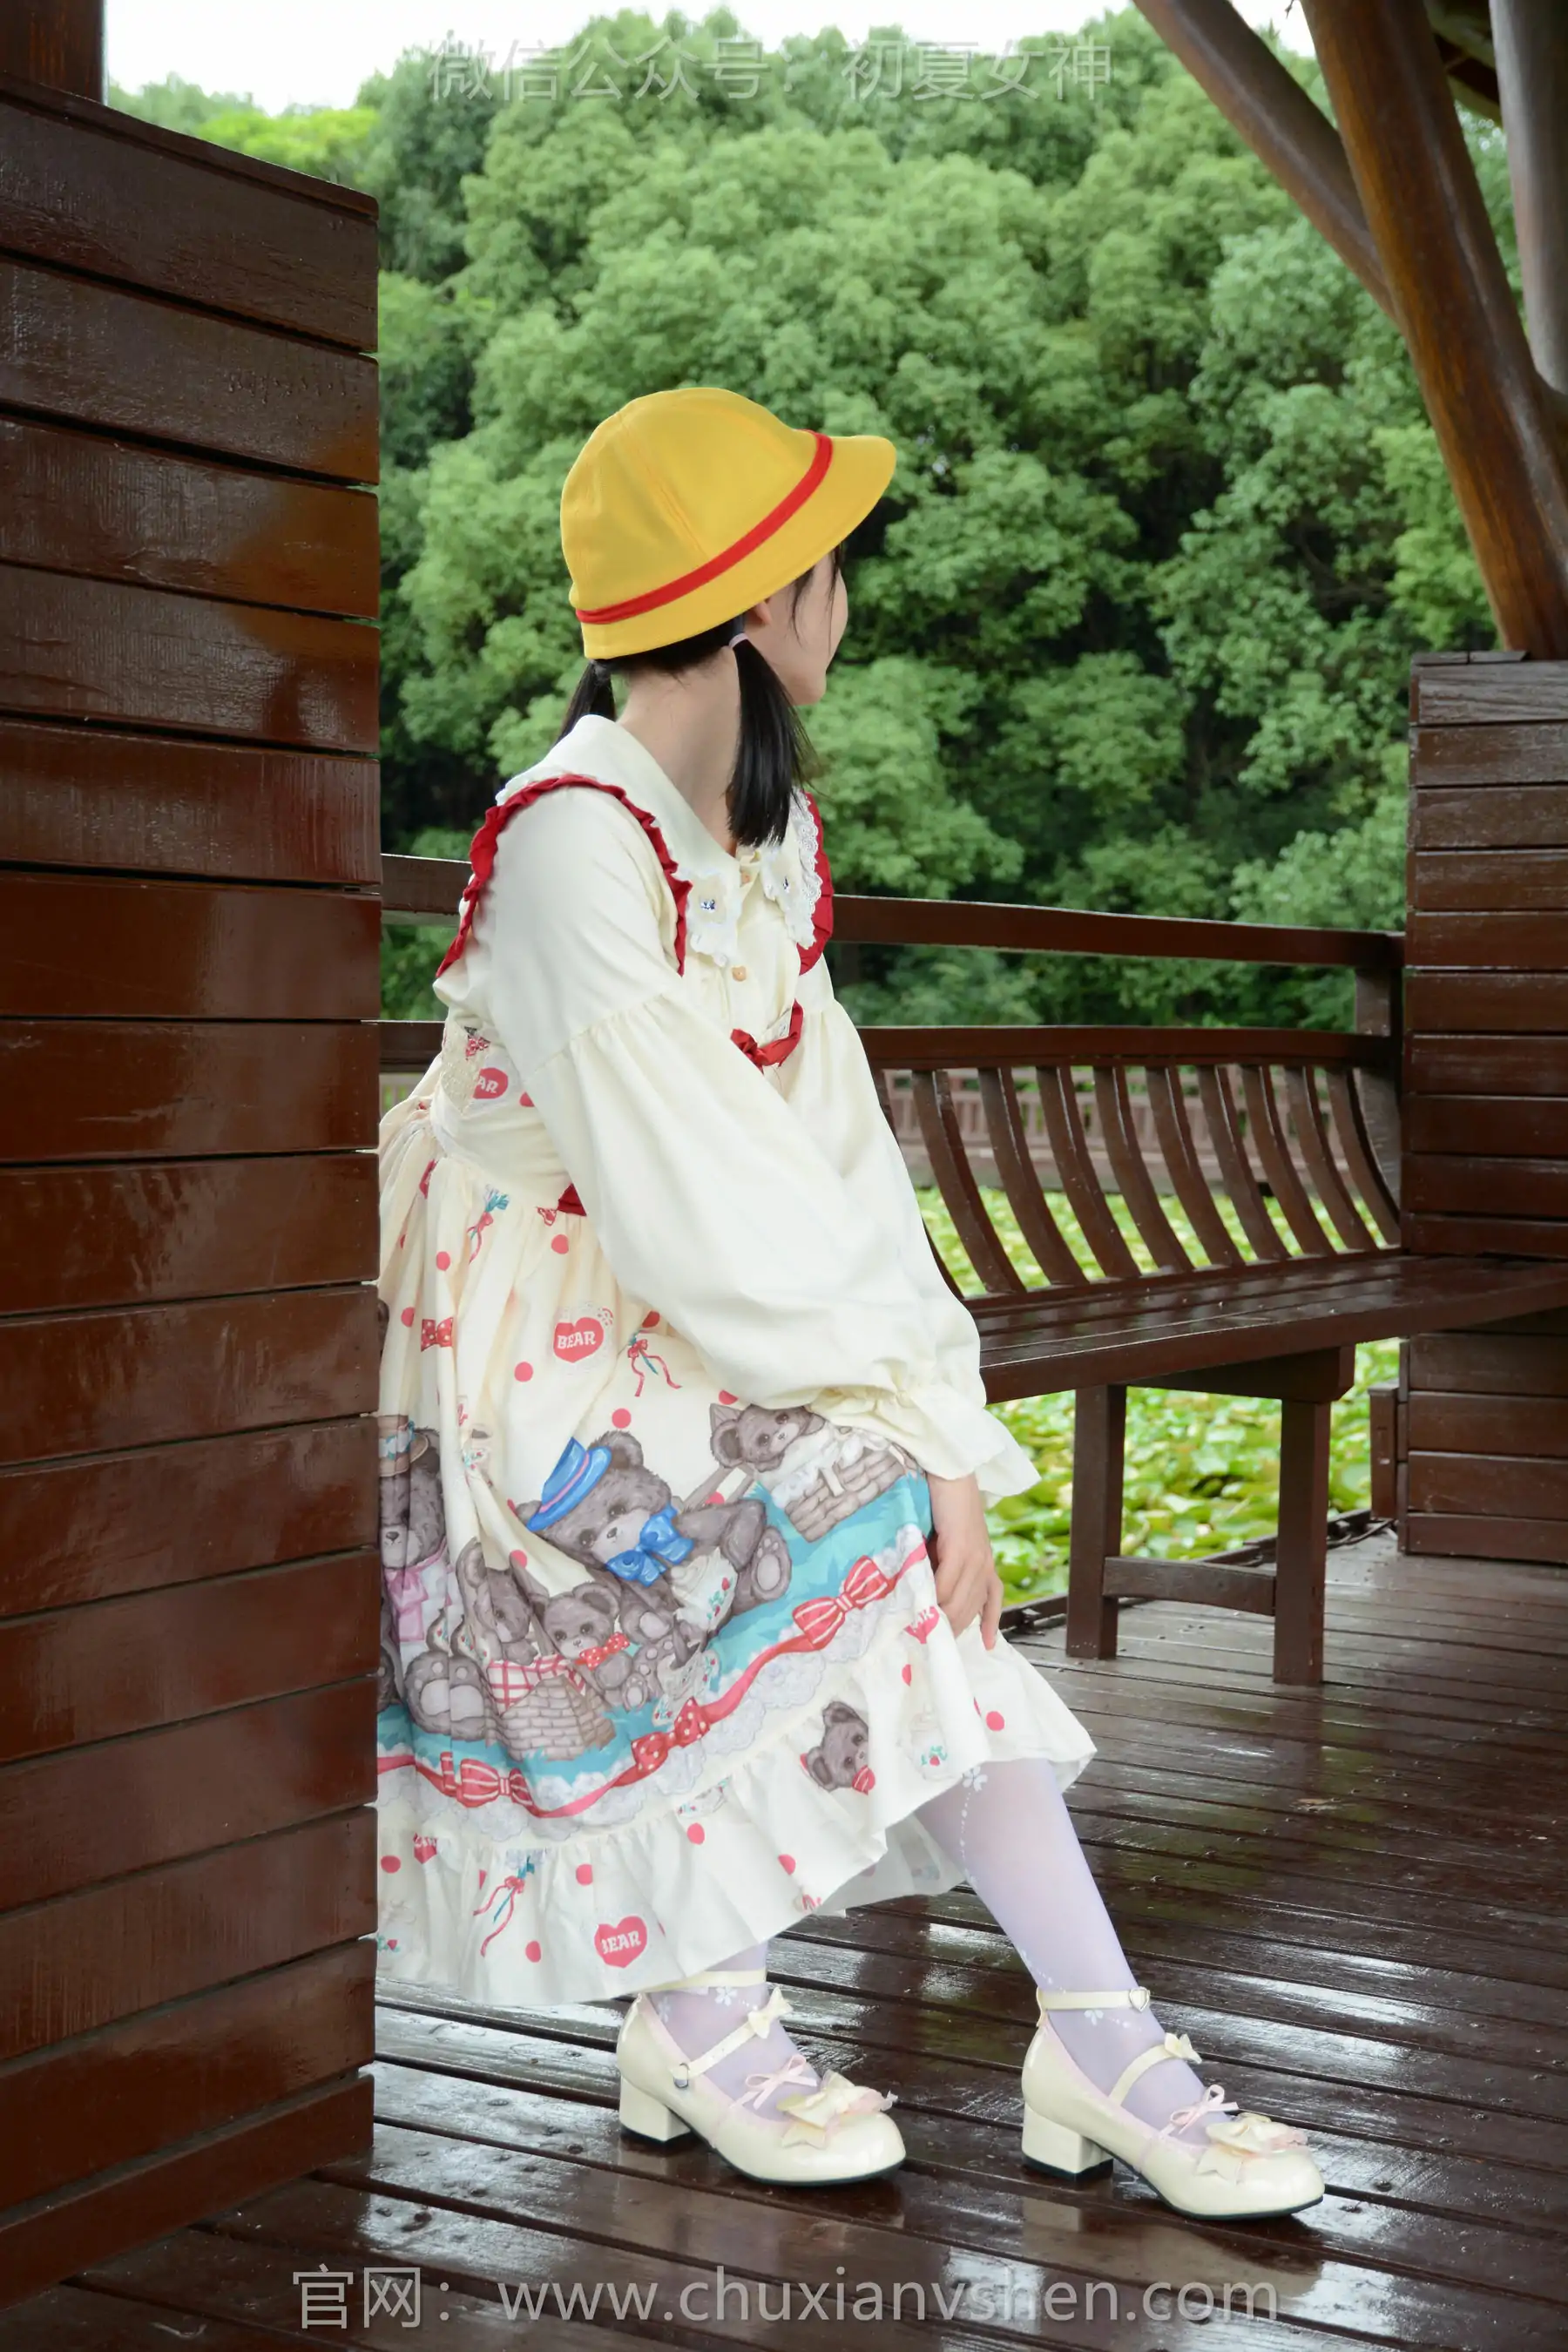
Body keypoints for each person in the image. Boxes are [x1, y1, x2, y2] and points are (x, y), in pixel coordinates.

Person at [375, 386, 1321, 2219]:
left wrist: (930, 1401)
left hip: (678, 1307)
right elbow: (696, 1206)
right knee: (844, 1525)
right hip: (519, 1349)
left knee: (881, 1526)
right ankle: (764, 2016)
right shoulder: (575, 841)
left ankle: (1072, 2031)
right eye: (830, 566)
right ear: (760, 600)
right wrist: (908, 1430)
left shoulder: (757, 836)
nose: (846, 598)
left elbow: (832, 1154)